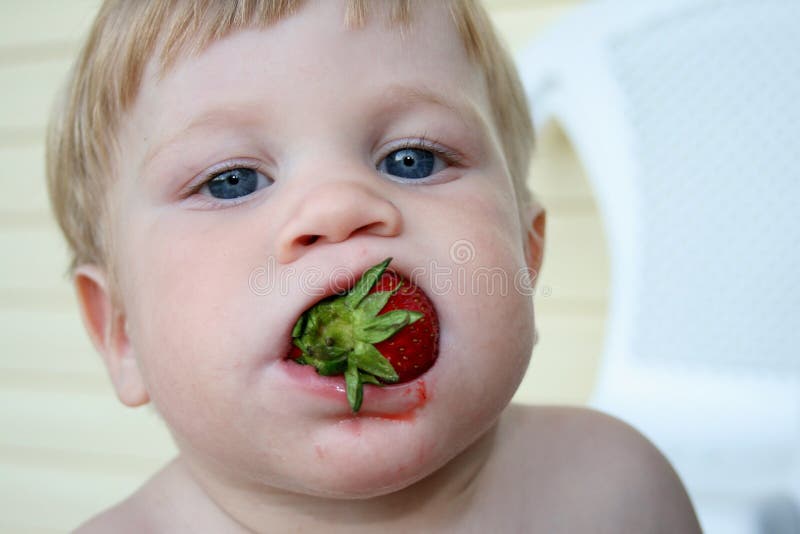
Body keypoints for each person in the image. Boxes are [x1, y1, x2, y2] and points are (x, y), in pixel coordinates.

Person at [46, 0, 702, 532]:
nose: (339, 208)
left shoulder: (619, 488)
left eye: (410, 158)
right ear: (123, 333)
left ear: (525, 260)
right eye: (233, 180)